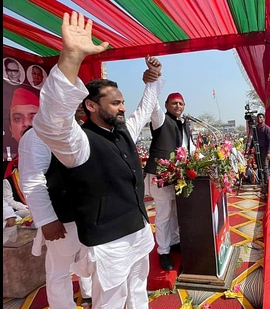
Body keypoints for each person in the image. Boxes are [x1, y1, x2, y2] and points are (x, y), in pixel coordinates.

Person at [31, 11, 161, 309]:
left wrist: (153, 80)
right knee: (111, 301)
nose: (122, 108)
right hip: (109, 241)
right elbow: (51, 122)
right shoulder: (78, 141)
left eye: (122, 102)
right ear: (91, 105)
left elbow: (145, 108)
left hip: (138, 230)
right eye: (115, 103)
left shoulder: (123, 131)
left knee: (138, 292)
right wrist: (71, 58)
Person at [19, 122, 93, 307]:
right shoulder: (37, 133)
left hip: (90, 213)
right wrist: (47, 219)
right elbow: (32, 179)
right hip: (61, 218)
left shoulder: (83, 129)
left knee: (93, 261)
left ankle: (88, 293)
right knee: (59, 271)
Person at [143, 91, 195, 271]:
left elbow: (188, 148)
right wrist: (153, 83)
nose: (178, 106)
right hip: (161, 175)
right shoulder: (160, 120)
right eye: (174, 103)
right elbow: (153, 105)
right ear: (166, 105)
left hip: (178, 176)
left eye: (181, 104)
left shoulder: (184, 124)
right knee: (164, 214)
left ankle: (174, 242)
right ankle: (163, 251)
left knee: (174, 211)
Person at [250, 112, 270, 193]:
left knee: (265, 166)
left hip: (264, 150)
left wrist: (268, 152)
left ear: (264, 119)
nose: (259, 119)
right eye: (258, 118)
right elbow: (253, 139)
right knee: (259, 165)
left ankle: (266, 183)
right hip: (257, 149)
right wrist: (250, 148)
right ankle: (260, 182)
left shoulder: (267, 129)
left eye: (261, 117)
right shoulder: (255, 128)